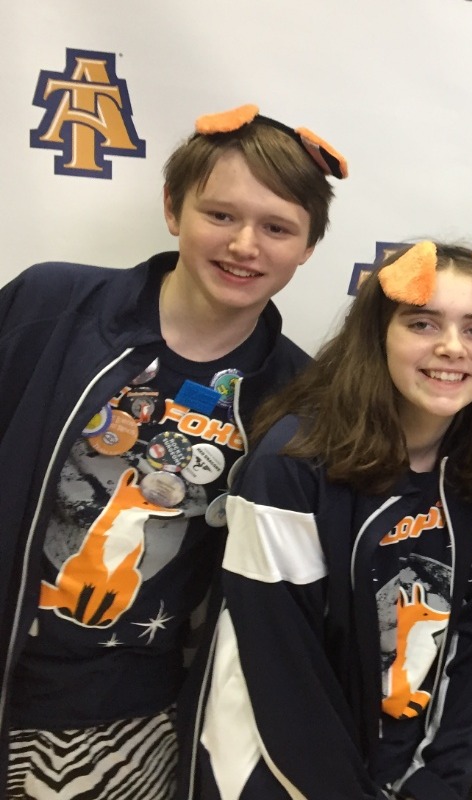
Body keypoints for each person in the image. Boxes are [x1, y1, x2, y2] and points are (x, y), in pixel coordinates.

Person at [0, 103, 344, 799]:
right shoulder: (50, 303)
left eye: (277, 228)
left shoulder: (299, 397)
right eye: (220, 215)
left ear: (308, 246)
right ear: (171, 207)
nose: (244, 245)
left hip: (124, 719)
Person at [197, 241, 472, 798]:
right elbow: (283, 669)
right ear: (377, 335)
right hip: (282, 769)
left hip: (410, 771)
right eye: (422, 324)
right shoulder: (290, 465)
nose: (452, 347)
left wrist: (437, 784)